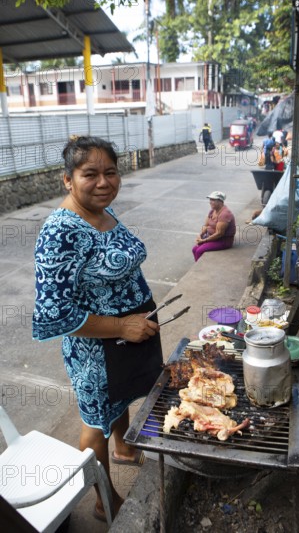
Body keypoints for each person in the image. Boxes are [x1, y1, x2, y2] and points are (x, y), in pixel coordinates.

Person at [32, 135, 163, 521]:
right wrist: (122, 325)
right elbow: (54, 314)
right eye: (90, 174)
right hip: (97, 350)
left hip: (133, 333)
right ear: (67, 180)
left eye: (111, 172)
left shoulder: (103, 212)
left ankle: (123, 446)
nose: (104, 182)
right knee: (94, 422)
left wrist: (134, 323)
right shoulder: (61, 232)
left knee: (121, 400)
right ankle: (104, 500)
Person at [192, 191, 236, 262]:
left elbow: (219, 233)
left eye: (213, 200)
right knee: (194, 249)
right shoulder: (212, 211)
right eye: (210, 200)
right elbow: (206, 225)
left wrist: (204, 240)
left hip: (223, 241)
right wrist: (200, 235)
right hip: (212, 238)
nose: (210, 202)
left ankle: (202, 270)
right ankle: (198, 266)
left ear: (220, 201)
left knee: (199, 251)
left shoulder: (225, 214)